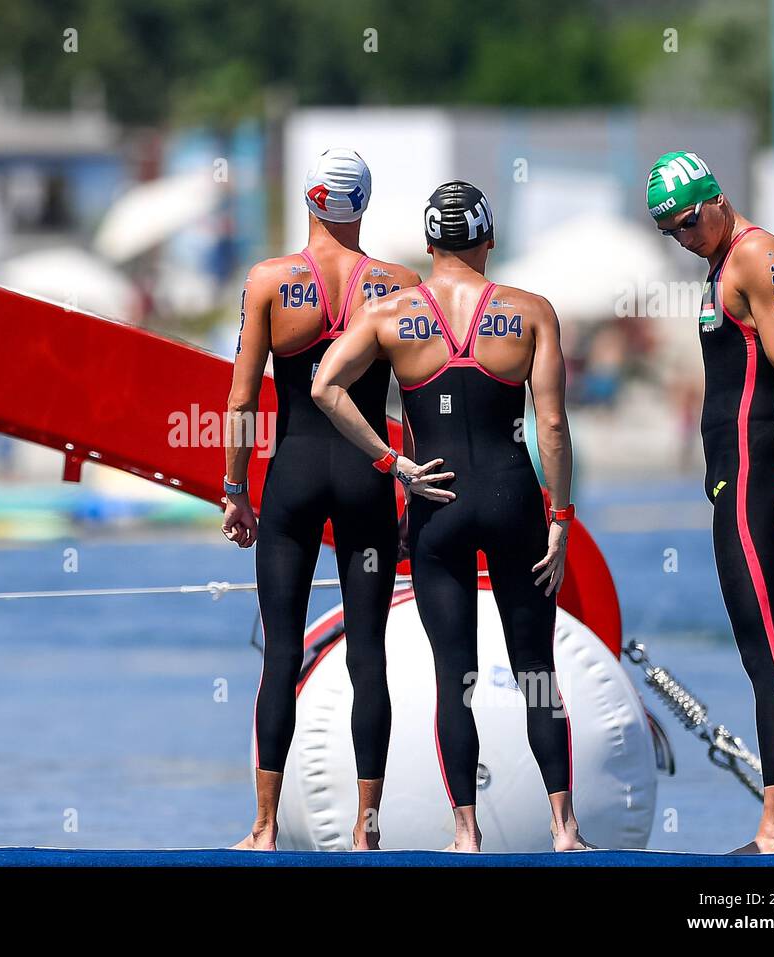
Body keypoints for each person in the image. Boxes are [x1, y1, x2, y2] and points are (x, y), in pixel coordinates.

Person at [311, 181, 591, 852]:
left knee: (454, 677)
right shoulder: (531, 312)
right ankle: (564, 827)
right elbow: (550, 424)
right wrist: (560, 516)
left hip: (437, 505)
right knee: (536, 670)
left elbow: (324, 385)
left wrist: (393, 462)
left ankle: (465, 833)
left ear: (431, 243)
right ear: (489, 239)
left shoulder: (390, 314)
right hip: (514, 500)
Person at [223, 149, 431, 850]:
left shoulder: (270, 282)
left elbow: (243, 397)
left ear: (309, 201)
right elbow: (425, 394)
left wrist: (233, 489)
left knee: (280, 652)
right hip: (369, 478)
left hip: (294, 478)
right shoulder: (399, 284)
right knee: (366, 652)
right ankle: (366, 829)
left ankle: (262, 827)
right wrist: (412, 479)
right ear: (362, 203)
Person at [648, 150, 774, 853]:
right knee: (761, 648)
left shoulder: (757, 254)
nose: (685, 238)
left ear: (716, 198)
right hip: (732, 477)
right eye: (671, 232)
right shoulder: (719, 264)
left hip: (758, 475)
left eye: (689, 222)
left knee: (767, 650)